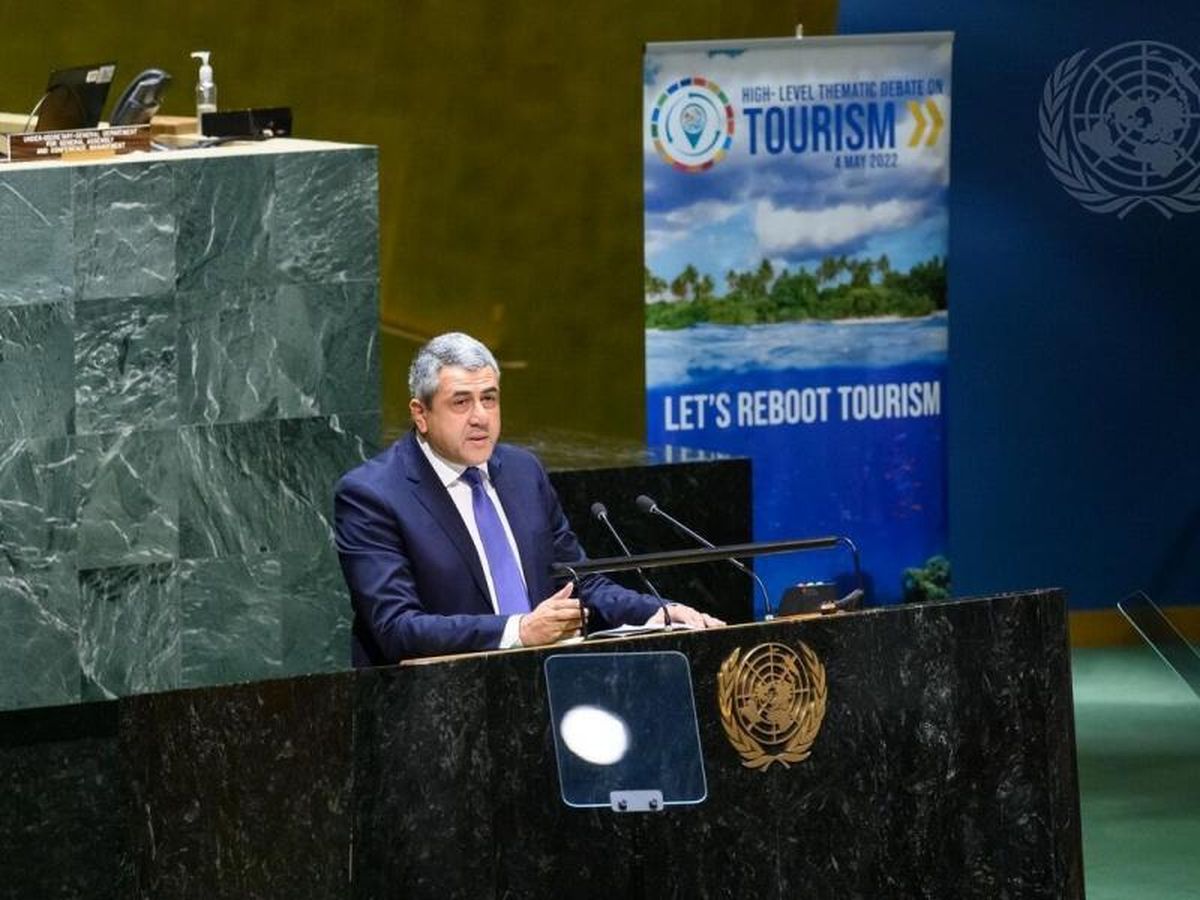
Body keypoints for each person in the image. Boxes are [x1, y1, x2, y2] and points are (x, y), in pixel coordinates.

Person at [334, 331, 722, 666]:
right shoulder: (373, 495)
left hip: (541, 690)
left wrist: (658, 613)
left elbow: (580, 584)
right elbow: (397, 628)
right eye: (460, 402)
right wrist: (519, 630)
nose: (480, 417)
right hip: (433, 710)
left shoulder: (522, 472)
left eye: (489, 398)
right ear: (420, 413)